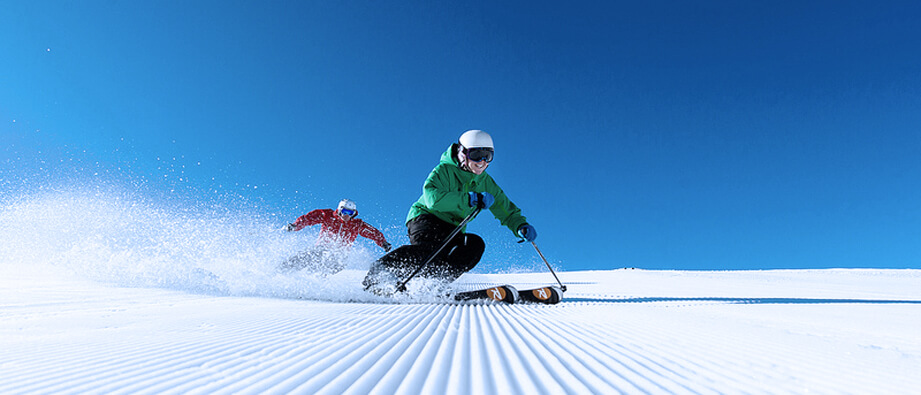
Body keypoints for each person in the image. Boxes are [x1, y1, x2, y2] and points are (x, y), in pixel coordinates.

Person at [362, 130, 537, 294]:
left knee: (474, 246)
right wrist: (468, 199)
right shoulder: (444, 171)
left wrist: (519, 224)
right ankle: (380, 272)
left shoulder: (486, 182)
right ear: (463, 153)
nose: (482, 162)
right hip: (426, 218)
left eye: (488, 156)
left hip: (454, 226)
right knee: (431, 250)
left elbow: (505, 209)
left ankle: (431, 284)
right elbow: (433, 198)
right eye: (476, 155)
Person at [281, 198, 392, 275]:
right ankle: (283, 270)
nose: (346, 215)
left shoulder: (357, 224)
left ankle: (315, 284)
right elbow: (308, 218)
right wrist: (295, 226)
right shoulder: (327, 215)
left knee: (331, 265)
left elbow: (373, 233)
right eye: (344, 211)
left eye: (350, 213)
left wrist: (383, 243)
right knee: (309, 255)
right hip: (322, 249)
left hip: (340, 256)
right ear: (339, 210)